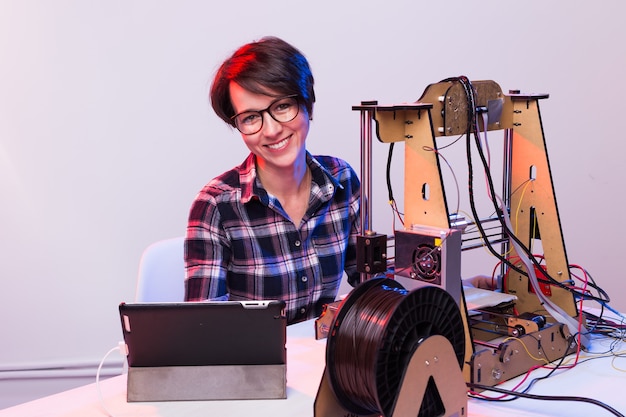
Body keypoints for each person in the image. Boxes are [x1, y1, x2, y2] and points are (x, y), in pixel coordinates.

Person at [184, 36, 361, 325]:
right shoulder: (215, 205)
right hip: (251, 364)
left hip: (324, 359)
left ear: (308, 105)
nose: (271, 130)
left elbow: (373, 283)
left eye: (281, 107)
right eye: (251, 117)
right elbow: (203, 329)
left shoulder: (343, 181)